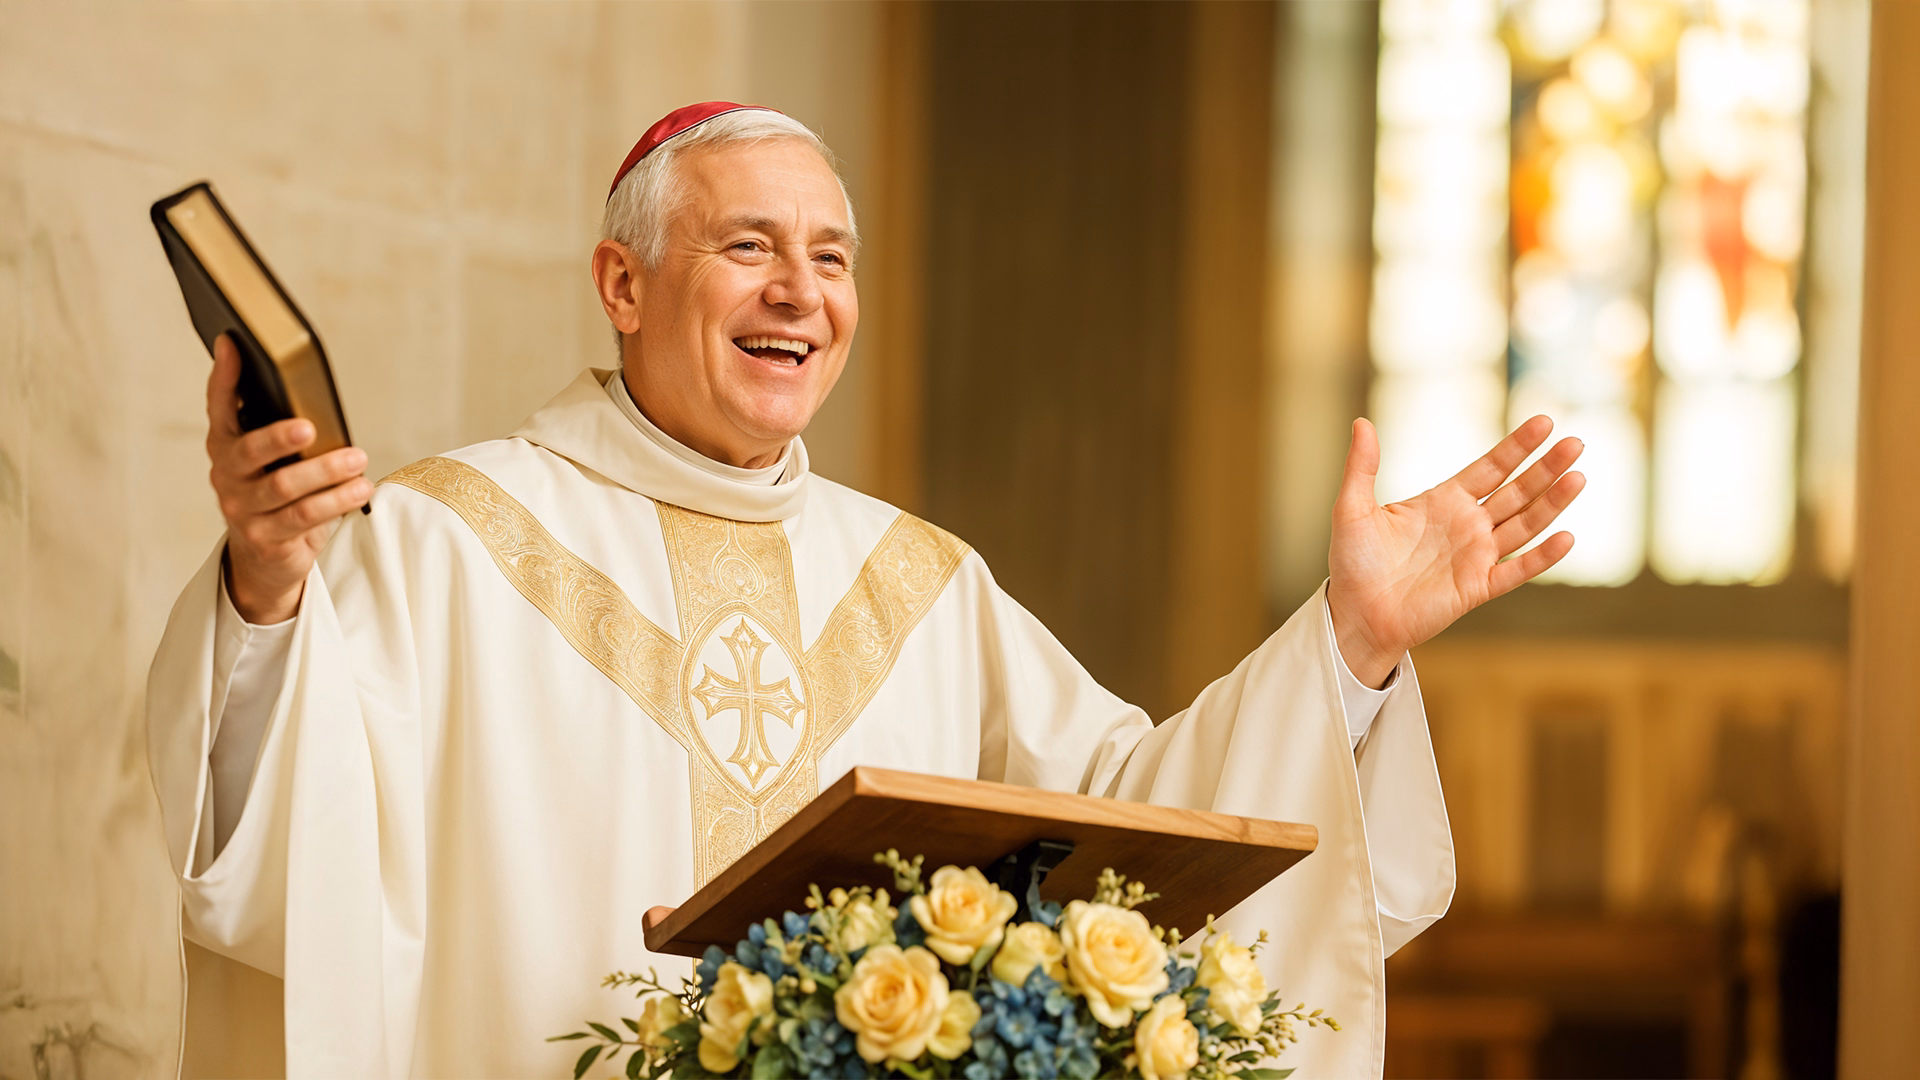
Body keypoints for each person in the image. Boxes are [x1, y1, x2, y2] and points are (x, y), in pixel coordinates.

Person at [147, 102, 1584, 1078]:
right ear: (623, 283)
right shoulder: (442, 540)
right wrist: (268, 586)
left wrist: (1351, 644)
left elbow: (1138, 828)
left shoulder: (916, 584)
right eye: (748, 248)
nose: (801, 294)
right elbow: (280, 848)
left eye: (831, 258)